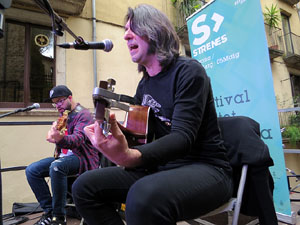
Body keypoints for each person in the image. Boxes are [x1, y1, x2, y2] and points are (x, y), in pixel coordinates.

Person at [72, 4, 233, 225]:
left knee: (142, 196)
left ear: (154, 30)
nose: (126, 36)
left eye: (133, 28)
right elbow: (141, 136)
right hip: (163, 168)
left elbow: (182, 137)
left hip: (207, 168)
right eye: (125, 30)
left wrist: (130, 156)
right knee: (84, 186)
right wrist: (112, 137)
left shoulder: (188, 71)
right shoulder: (144, 85)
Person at [25, 85, 100, 225]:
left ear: (70, 98)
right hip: (63, 158)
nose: (57, 105)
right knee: (32, 170)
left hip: (82, 158)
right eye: (55, 102)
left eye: (60, 101)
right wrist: (53, 133)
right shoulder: (64, 114)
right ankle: (49, 211)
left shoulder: (84, 115)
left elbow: (77, 139)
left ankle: (58, 218)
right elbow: (54, 133)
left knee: (56, 167)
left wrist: (59, 138)